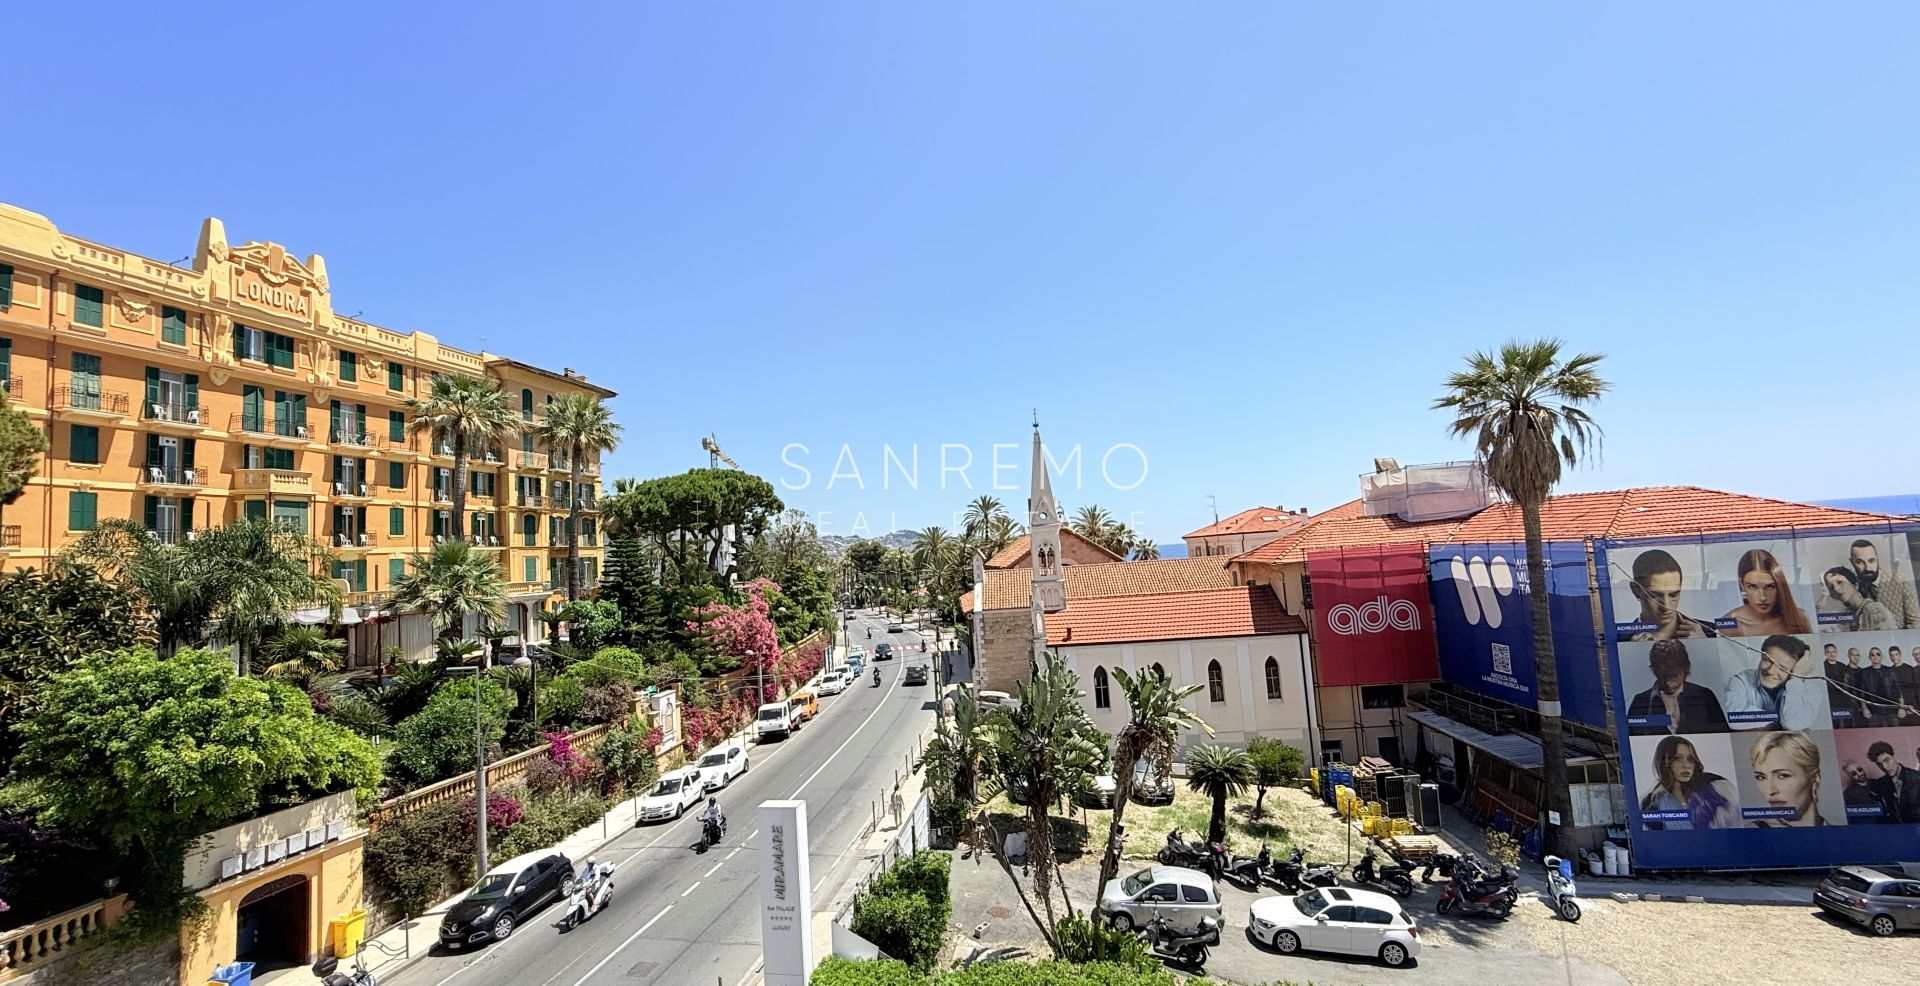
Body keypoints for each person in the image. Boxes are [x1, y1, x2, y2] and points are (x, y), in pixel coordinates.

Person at [1722, 634, 1827, 730]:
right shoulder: (1741, 680)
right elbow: (1735, 719)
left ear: (1797, 669)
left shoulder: (1812, 691)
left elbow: (1793, 724)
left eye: (1782, 668)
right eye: (1767, 661)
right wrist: (1778, 717)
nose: (1770, 671)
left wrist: (1795, 679)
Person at [1625, 640, 1729, 735]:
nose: (1668, 683)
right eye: (1662, 676)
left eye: (1673, 676)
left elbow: (1723, 735)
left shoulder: (1705, 696)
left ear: (1686, 668)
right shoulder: (1640, 701)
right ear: (1653, 670)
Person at [1637, 736, 1738, 830]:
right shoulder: (1651, 803)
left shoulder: (1716, 790)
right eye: (1677, 758)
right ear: (1664, 763)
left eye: (1690, 759)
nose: (1686, 765)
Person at [1626, 550, 1717, 640]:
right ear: (1635, 591)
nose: (1666, 606)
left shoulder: (1710, 633)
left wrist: (1704, 645)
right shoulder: (1618, 639)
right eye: (1654, 596)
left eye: (1673, 595)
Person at [1718, 549, 1811, 637]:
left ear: (1779, 586)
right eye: (1753, 587)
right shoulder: (1730, 624)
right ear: (1741, 584)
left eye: (1770, 587)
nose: (1762, 597)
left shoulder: (1799, 617)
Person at [1745, 731, 1828, 827]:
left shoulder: (1839, 833)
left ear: (1814, 778)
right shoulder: (1752, 833)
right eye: (1761, 777)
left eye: (1783, 776)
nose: (1770, 791)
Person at [1819, 566, 1898, 632]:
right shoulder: (1845, 616)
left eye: (1840, 582)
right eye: (1831, 587)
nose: (1836, 589)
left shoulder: (1874, 610)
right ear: (1833, 596)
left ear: (1855, 584)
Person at [1867, 740, 1920, 824]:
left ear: (1894, 756)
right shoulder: (1879, 784)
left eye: (1887, 760)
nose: (1885, 767)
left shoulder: (1917, 777)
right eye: (1879, 764)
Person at [1858, 648, 1903, 728]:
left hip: (1891, 710)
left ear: (1881, 656)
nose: (1875, 656)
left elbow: (1898, 691)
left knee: (1895, 735)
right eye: (1872, 654)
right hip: (1874, 711)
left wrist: (1901, 708)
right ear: (1869, 657)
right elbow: (1862, 693)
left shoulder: (1889, 671)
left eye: (1878, 654)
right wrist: (1864, 708)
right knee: (1875, 735)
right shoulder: (1864, 672)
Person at [1840, 759, 1896, 823]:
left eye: (1859, 770)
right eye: (1854, 773)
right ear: (1849, 776)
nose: (1859, 774)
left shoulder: (1878, 782)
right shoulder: (1848, 794)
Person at [1822, 643, 1855, 726]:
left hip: (1844, 701)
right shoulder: (1822, 666)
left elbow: (1847, 683)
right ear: (1825, 653)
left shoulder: (1842, 666)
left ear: (1836, 652)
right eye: (1829, 652)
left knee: (1848, 723)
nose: (1832, 654)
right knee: (1835, 724)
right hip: (1832, 701)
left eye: (1833, 652)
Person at [1892, 646, 1920, 725]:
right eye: (1915, 654)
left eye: (1919, 653)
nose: (1917, 656)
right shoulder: (1914, 670)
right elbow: (1914, 691)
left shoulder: (1910, 669)